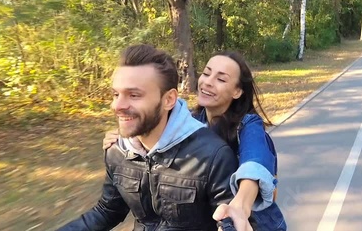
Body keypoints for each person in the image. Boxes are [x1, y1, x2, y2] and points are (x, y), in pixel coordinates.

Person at [58, 44, 247, 231]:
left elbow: (229, 220)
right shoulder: (117, 151)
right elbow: (107, 210)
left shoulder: (213, 155)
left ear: (168, 100)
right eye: (116, 94)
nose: (117, 106)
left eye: (134, 95)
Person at [103, 51, 287, 230]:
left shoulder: (248, 126)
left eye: (221, 79)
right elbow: (157, 132)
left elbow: (256, 162)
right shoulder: (192, 121)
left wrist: (240, 205)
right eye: (206, 73)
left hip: (253, 223)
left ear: (237, 91)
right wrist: (127, 135)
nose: (208, 82)